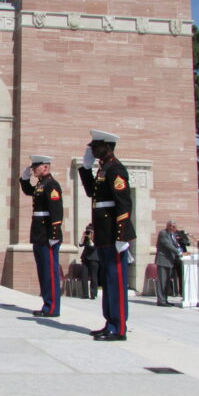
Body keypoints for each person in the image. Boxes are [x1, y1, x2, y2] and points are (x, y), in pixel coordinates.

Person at [78, 129, 136, 342]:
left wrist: (122, 235)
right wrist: (85, 169)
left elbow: (123, 203)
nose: (92, 150)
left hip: (113, 233)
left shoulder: (116, 169)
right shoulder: (103, 170)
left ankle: (119, 328)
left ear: (108, 147)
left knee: (116, 281)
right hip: (103, 233)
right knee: (107, 280)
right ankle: (109, 322)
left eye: (96, 146)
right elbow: (91, 192)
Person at [19, 154, 63, 317]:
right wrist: (24, 179)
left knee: (50, 272)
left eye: (35, 166)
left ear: (45, 167)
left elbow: (56, 212)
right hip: (39, 233)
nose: (33, 169)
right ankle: (47, 304)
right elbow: (29, 191)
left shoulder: (52, 185)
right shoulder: (41, 185)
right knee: (43, 271)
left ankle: (52, 307)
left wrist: (54, 235)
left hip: (47, 235)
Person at [154, 220, 184, 307]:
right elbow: (168, 245)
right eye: (170, 226)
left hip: (170, 261)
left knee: (167, 282)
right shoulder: (163, 233)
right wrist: (179, 252)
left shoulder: (173, 235)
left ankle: (165, 299)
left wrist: (181, 250)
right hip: (163, 260)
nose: (172, 228)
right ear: (167, 226)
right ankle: (161, 300)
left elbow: (175, 245)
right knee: (162, 281)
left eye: (174, 227)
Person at [79, 223, 99, 300]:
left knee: (93, 276)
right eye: (87, 231)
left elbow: (93, 247)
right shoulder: (86, 238)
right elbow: (80, 244)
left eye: (90, 231)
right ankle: (85, 294)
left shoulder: (96, 238)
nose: (88, 233)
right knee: (84, 276)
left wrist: (91, 239)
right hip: (85, 258)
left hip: (94, 259)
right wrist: (83, 237)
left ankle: (93, 294)